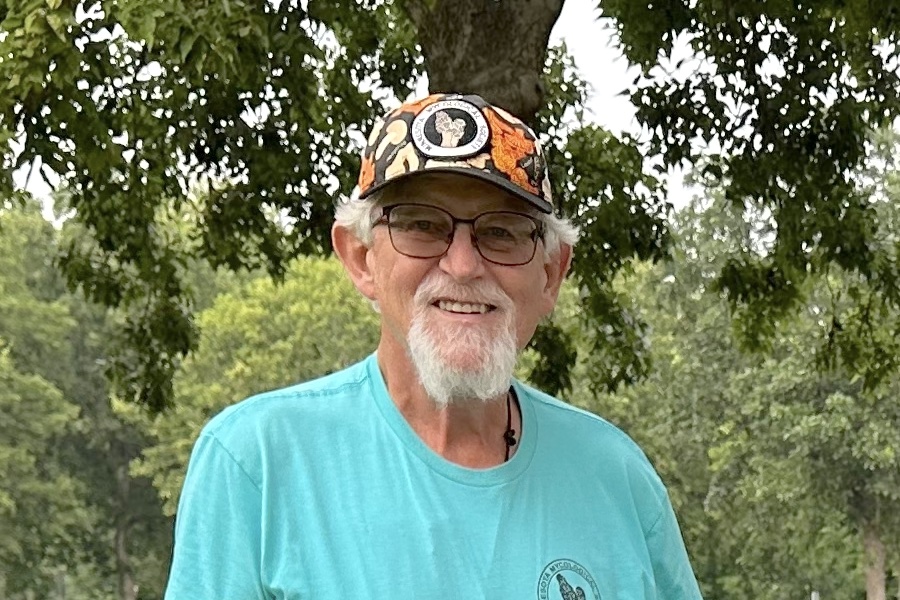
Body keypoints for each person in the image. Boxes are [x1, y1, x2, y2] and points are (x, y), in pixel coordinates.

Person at [164, 92, 704, 599]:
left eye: (502, 231)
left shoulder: (616, 476)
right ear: (360, 258)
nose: (463, 265)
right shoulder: (257, 463)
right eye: (421, 225)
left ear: (550, 274)